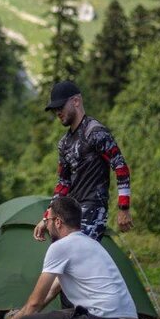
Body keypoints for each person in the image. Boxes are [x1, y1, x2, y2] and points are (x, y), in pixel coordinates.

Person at [0, 197, 139, 319]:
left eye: (47, 220)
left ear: (58, 222)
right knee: (62, 316)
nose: (46, 226)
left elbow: (35, 302)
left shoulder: (60, 247)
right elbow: (49, 294)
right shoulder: (90, 243)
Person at [34, 80, 132, 242]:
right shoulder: (64, 143)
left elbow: (121, 168)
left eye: (61, 106)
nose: (57, 112)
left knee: (80, 261)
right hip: (70, 214)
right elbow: (63, 184)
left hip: (93, 212)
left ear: (76, 101)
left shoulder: (95, 132)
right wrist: (47, 218)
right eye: (55, 109)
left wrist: (124, 208)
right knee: (62, 260)